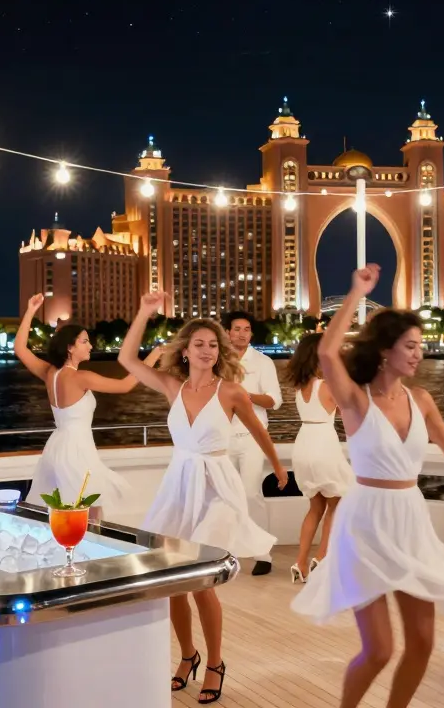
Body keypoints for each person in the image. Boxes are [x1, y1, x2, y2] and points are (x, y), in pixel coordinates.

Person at [291, 265, 444, 708]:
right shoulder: (357, 399)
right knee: (379, 648)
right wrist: (356, 292)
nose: (419, 354)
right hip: (365, 521)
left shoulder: (421, 400)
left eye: (421, 346)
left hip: (408, 517)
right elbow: (327, 354)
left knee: (421, 642)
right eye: (411, 346)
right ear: (385, 351)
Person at [120, 292, 287, 705]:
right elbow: (127, 359)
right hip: (179, 485)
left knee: (201, 581)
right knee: (175, 582)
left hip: (216, 487)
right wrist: (143, 311)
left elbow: (260, 431)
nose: (208, 350)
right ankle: (187, 654)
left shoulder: (231, 392)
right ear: (186, 350)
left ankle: (214, 662)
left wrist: (278, 467)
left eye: (214, 345)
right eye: (200, 344)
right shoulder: (171, 386)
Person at [14, 294, 156, 524]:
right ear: (70, 347)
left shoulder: (50, 373)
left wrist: (31, 310)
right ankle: (84, 554)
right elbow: (126, 385)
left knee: (67, 511)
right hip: (78, 450)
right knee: (90, 514)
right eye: (84, 341)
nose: (91, 345)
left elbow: (20, 349)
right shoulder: (82, 377)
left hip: (57, 447)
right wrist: (154, 356)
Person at [284, 332, 355, 582]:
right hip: (324, 443)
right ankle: (322, 558)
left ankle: (300, 563)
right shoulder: (328, 386)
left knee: (315, 507)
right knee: (338, 502)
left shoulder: (300, 387)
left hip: (304, 443)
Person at [223, 310, 284, 576]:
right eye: (237, 329)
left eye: (246, 329)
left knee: (250, 494)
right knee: (224, 497)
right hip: (221, 438)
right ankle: (227, 552)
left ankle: (263, 554)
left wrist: (243, 396)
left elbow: (275, 401)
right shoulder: (217, 362)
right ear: (227, 332)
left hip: (252, 438)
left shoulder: (263, 362)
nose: (242, 333)